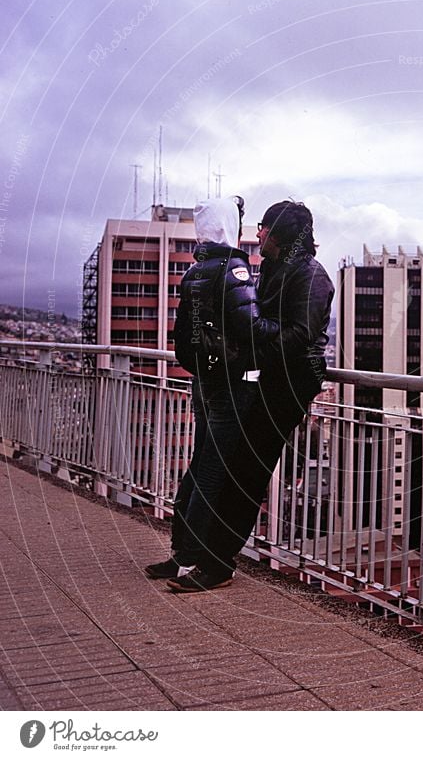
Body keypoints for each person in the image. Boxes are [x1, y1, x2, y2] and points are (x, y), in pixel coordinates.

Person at [195, 200, 334, 588]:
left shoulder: (311, 276)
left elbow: (298, 336)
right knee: (239, 467)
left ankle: (217, 564)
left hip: (288, 382)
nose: (257, 234)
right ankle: (207, 556)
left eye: (264, 228)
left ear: (281, 235)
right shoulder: (279, 267)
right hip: (269, 377)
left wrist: (252, 335)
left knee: (247, 471)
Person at [144, 196, 277, 590]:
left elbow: (184, 336)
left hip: (202, 379)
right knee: (215, 473)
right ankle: (200, 559)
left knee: (199, 465)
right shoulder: (233, 270)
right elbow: (252, 328)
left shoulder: (194, 272)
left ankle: (181, 554)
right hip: (231, 383)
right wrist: (283, 334)